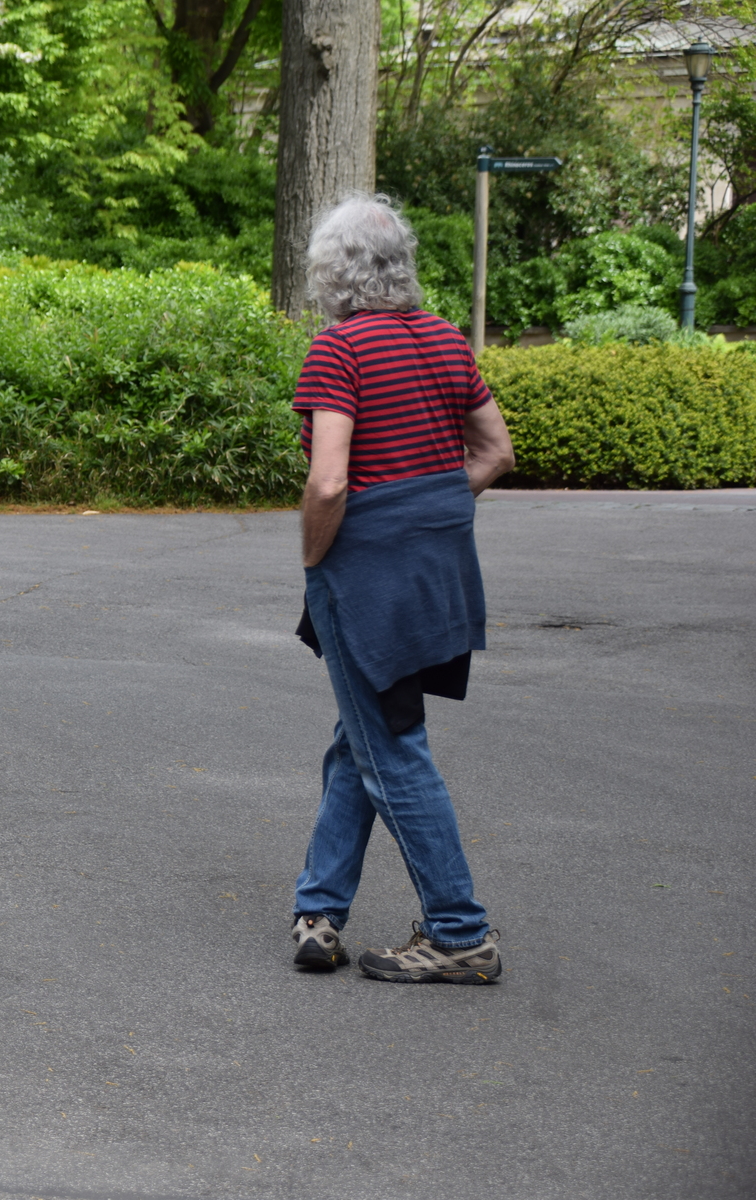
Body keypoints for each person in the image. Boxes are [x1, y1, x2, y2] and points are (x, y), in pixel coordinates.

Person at [287, 193, 517, 984]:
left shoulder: (338, 350)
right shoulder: (446, 339)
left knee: (391, 747)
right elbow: (495, 453)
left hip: (368, 576)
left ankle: (460, 932)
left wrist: (315, 562)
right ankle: (319, 909)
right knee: (363, 731)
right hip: (439, 571)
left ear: (331, 271)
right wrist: (427, 507)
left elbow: (328, 483)